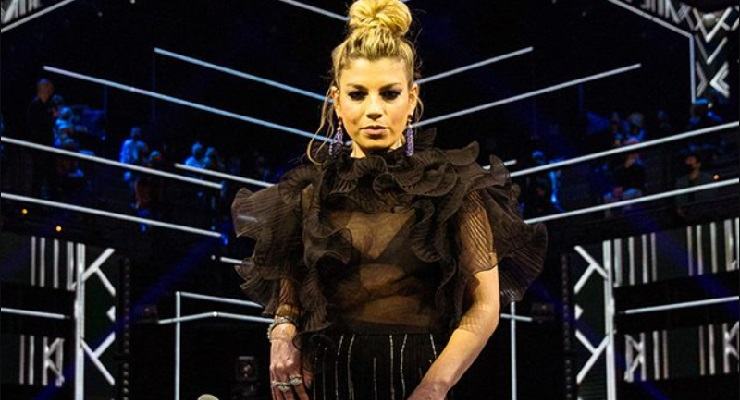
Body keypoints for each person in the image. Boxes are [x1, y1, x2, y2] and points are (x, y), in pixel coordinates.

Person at [231, 1, 547, 399]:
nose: (374, 110)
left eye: (390, 93)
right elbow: (290, 293)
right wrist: (282, 332)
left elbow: (484, 308)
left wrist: (433, 387)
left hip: (420, 378)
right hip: (329, 383)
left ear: (412, 98)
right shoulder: (308, 194)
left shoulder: (454, 189)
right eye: (358, 94)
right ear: (337, 101)